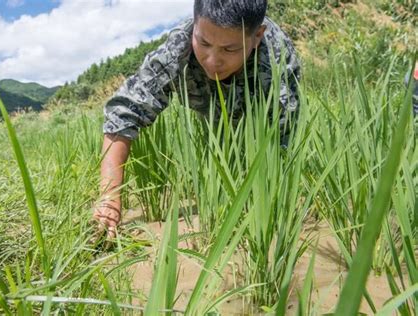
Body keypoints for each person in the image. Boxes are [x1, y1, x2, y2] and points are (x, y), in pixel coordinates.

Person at [93, 0, 301, 238]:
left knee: (257, 153)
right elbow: (124, 113)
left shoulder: (277, 61)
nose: (212, 61)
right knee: (222, 146)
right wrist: (109, 199)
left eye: (229, 49)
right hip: (209, 106)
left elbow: (282, 140)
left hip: (257, 107)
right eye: (203, 42)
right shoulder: (177, 49)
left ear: (257, 36)